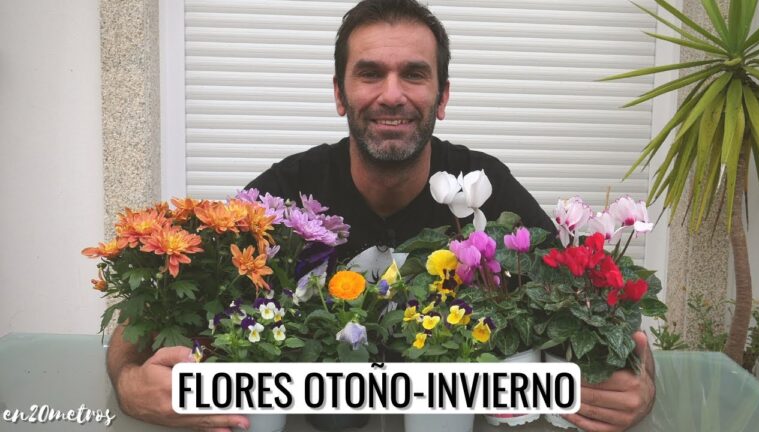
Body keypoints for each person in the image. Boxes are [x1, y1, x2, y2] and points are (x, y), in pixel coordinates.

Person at [107, 1, 655, 431]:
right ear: (339, 94)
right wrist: (129, 382)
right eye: (370, 73)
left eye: (414, 74)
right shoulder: (286, 193)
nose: (392, 95)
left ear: (442, 97)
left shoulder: (483, 187)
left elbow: (594, 312)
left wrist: (641, 387)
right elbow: (149, 317)